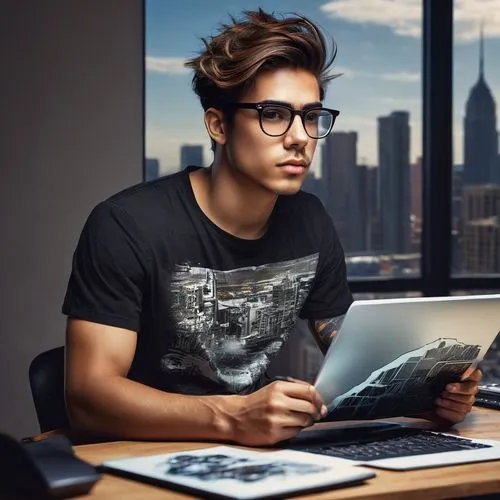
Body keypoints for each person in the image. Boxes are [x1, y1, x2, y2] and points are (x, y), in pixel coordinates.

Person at [62, 9, 481, 446]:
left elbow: (359, 366)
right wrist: (232, 417)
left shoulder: (308, 220)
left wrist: (431, 394)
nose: (300, 136)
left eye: (311, 116)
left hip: (263, 457)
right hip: (145, 458)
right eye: (274, 114)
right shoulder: (127, 225)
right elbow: (89, 398)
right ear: (218, 125)